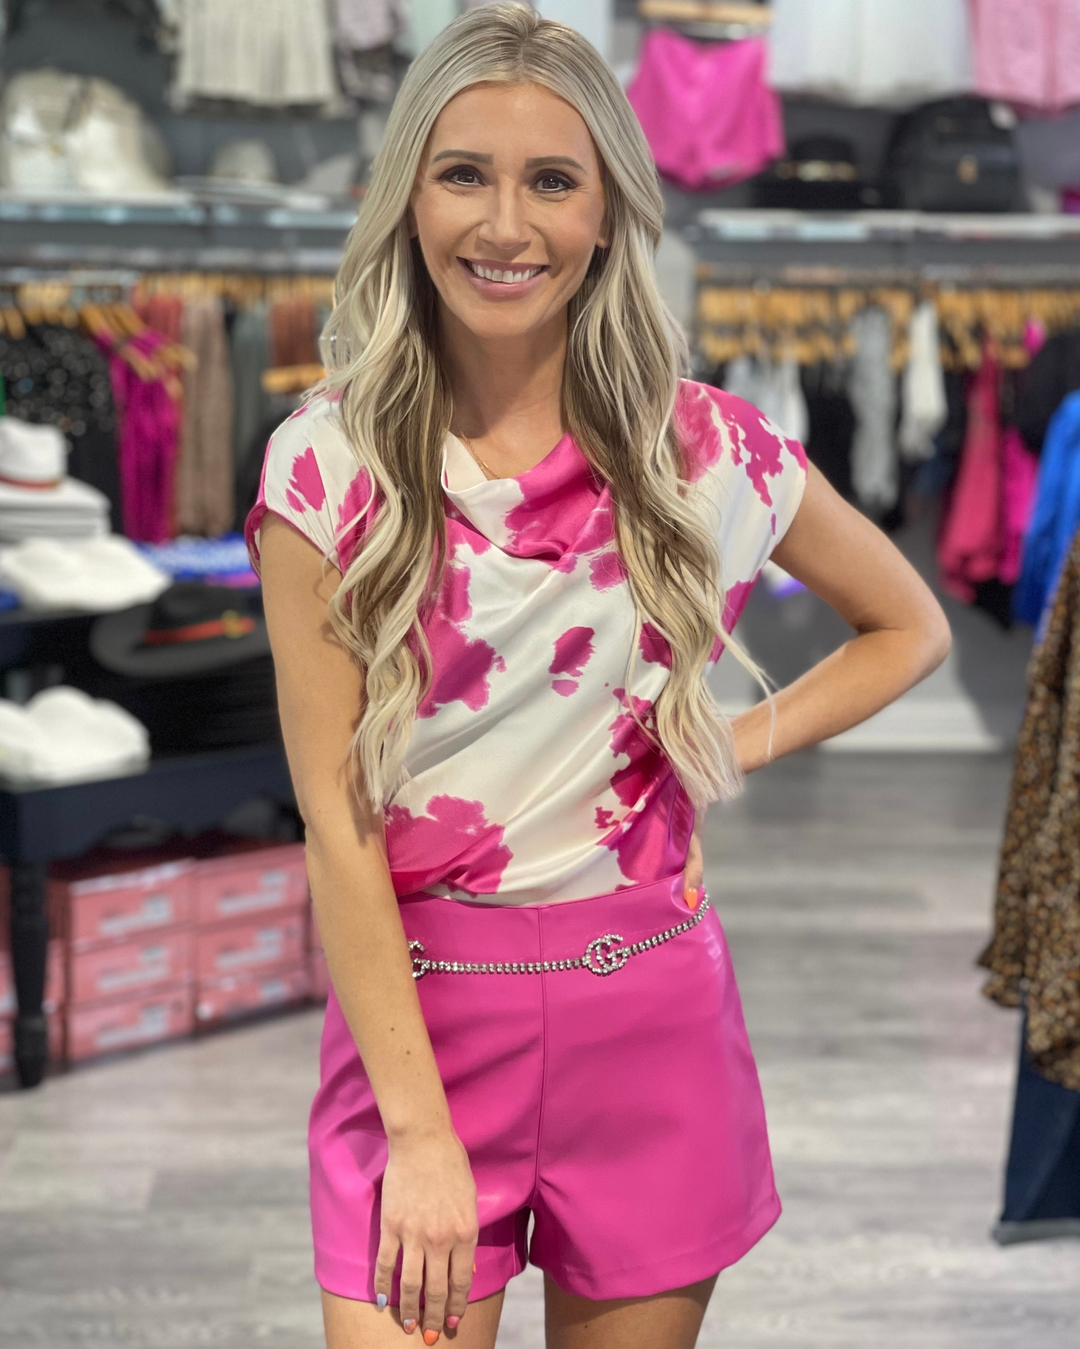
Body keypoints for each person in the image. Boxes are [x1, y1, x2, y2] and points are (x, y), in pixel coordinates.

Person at [246, 6, 952, 1348]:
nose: (505, 224)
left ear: (609, 210)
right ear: (407, 196)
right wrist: (420, 1133)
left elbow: (907, 625)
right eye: (464, 174)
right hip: (420, 1031)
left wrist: (726, 741)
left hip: (653, 1019)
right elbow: (335, 822)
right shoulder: (327, 467)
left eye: (552, 181)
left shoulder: (707, 452)